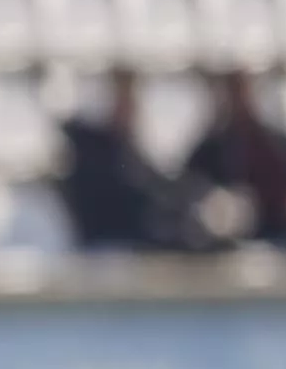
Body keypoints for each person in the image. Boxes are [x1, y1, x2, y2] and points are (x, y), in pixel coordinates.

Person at [179, 71, 286, 248]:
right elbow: (190, 190)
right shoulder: (209, 149)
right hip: (224, 248)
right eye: (232, 90)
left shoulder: (280, 145)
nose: (239, 98)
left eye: (243, 89)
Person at [54, 74, 194, 254]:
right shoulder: (93, 157)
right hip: (107, 250)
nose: (130, 110)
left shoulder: (128, 151)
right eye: (123, 102)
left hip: (129, 247)